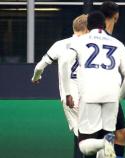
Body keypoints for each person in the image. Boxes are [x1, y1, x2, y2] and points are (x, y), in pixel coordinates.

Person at [62, 11, 125, 158]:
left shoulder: (80, 41)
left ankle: (104, 143)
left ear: (88, 26)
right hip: (111, 95)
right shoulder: (118, 43)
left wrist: (68, 92)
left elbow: (64, 62)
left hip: (90, 95)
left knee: (84, 146)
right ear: (104, 25)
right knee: (107, 139)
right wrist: (118, 97)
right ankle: (107, 142)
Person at [31, 14, 89, 158]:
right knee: (95, 131)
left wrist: (36, 78)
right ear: (88, 29)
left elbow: (39, 66)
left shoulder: (60, 44)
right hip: (91, 94)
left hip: (70, 97)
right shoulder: (92, 44)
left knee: (81, 135)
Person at [100, 2, 125, 158]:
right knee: (99, 137)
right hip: (94, 95)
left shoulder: (114, 43)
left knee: (121, 134)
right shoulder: (93, 38)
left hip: (110, 94)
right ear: (116, 17)